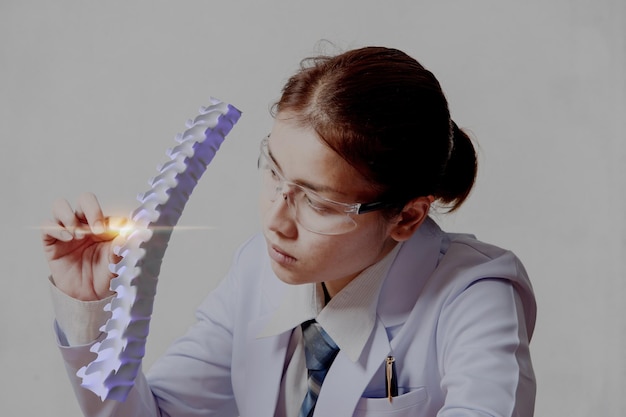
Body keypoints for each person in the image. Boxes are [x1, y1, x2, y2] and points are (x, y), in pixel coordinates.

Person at [42, 46, 536, 417]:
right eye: (274, 173)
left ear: (407, 217)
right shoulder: (258, 268)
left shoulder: (476, 294)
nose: (276, 222)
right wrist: (94, 315)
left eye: (318, 202)